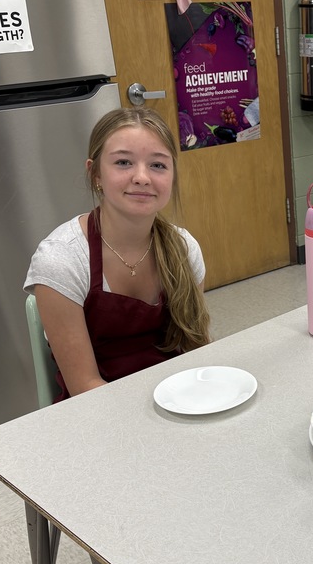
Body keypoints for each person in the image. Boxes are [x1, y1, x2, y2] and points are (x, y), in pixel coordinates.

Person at [25, 107, 211, 400]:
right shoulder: (62, 260)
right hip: (100, 413)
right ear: (95, 173)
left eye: (158, 165)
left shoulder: (185, 249)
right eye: (123, 162)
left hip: (181, 402)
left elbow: (197, 355)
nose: (142, 177)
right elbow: (85, 387)